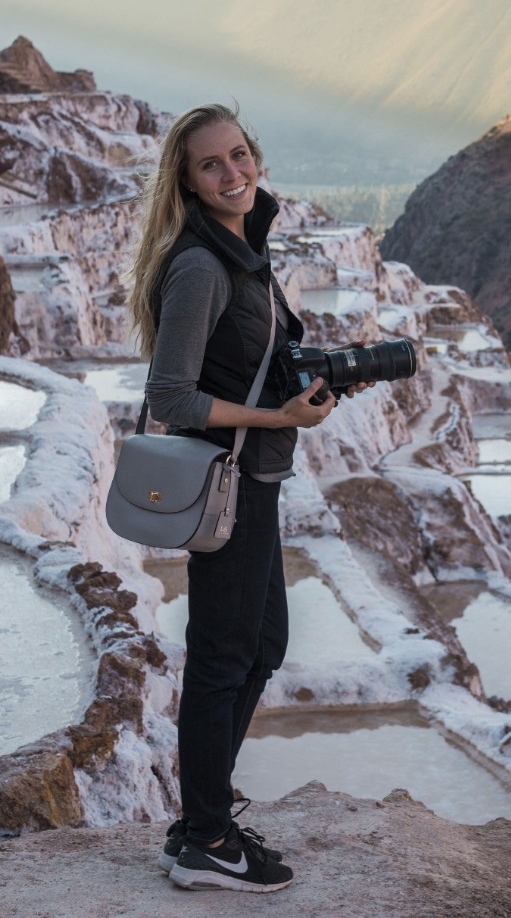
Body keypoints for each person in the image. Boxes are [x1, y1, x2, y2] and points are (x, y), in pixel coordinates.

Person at [127, 103, 369, 893]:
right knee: (222, 660)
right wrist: (279, 418)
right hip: (226, 484)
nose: (233, 173)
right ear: (188, 182)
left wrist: (314, 383)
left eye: (239, 154)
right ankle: (206, 838)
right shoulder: (203, 265)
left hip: (256, 479)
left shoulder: (244, 247)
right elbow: (171, 395)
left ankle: (201, 822)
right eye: (211, 164)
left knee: (260, 649)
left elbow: (246, 361)